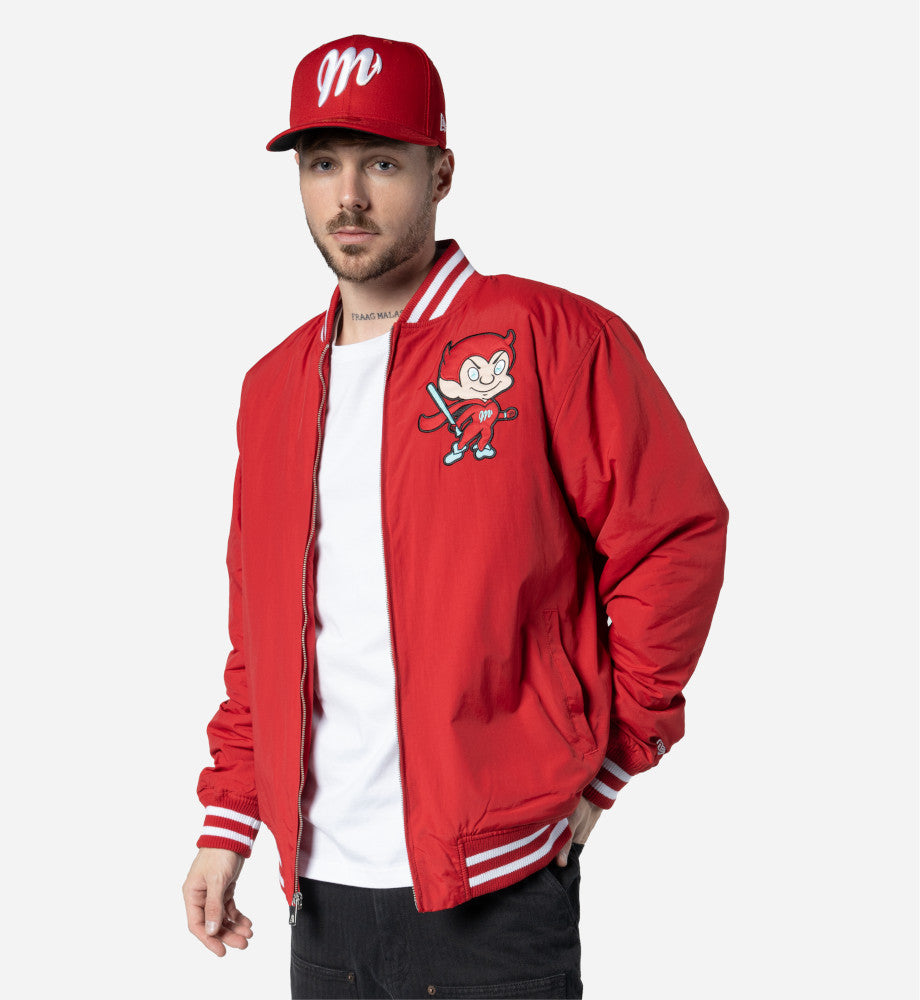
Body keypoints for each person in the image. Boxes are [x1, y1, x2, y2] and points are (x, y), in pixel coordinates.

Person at [182, 33, 728, 999]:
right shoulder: (272, 387)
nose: (349, 197)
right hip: (321, 895)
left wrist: (612, 759)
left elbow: (672, 538)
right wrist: (230, 820)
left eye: (383, 164)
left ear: (441, 172)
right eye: (322, 164)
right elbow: (261, 632)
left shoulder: (551, 337)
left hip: (497, 887)